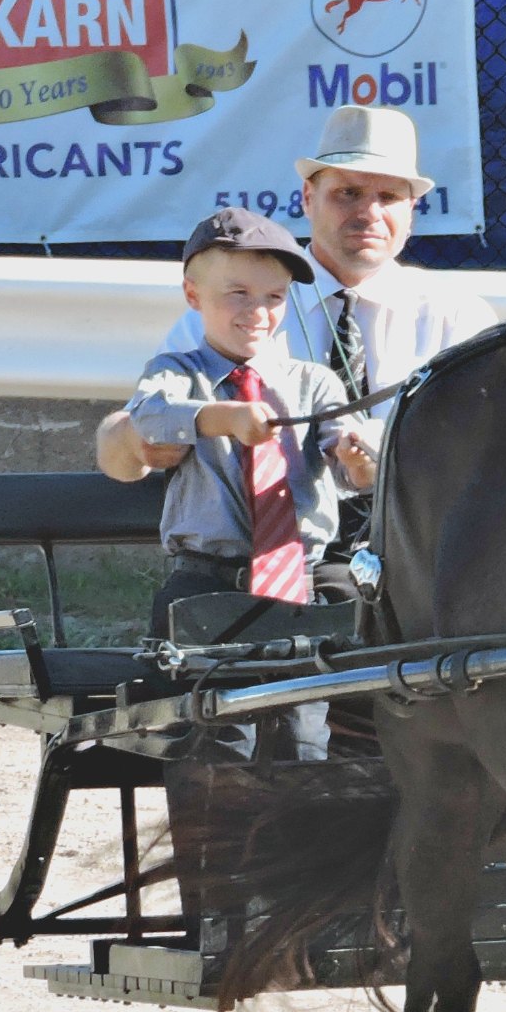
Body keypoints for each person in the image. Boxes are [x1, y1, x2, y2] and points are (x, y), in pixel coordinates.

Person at [97, 103, 497, 510]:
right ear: (308, 198)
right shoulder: (237, 310)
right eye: (348, 193)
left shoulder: (457, 319)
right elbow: (123, 445)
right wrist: (135, 442)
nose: (369, 213)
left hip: (414, 546)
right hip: (274, 552)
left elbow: (489, 449)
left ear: (410, 213)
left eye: (389, 197)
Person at [121, 203, 358, 759]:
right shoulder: (178, 371)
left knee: (303, 738)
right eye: (238, 294)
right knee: (222, 737)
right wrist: (220, 418)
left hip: (300, 583)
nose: (258, 311)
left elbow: (347, 458)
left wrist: (359, 459)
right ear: (193, 295)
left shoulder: (314, 384)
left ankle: (299, 833)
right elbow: (149, 415)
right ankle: (217, 834)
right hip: (208, 584)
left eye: (274, 298)